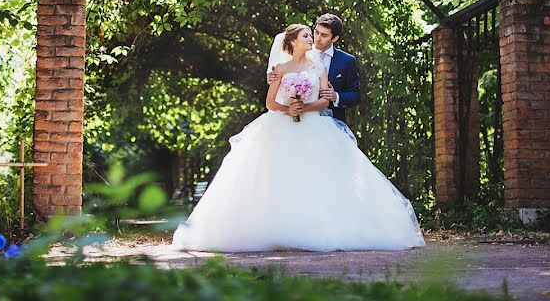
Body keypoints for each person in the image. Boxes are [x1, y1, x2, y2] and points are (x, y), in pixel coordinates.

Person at [171, 23, 425, 252]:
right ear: (292, 41)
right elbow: (270, 102)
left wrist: (305, 107)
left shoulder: (317, 66)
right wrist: (288, 108)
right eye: (307, 34)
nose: (312, 38)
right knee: (279, 176)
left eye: (315, 34)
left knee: (317, 177)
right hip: (280, 126)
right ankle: (275, 227)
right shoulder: (280, 69)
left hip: (315, 125)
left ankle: (318, 226)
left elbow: (325, 98)